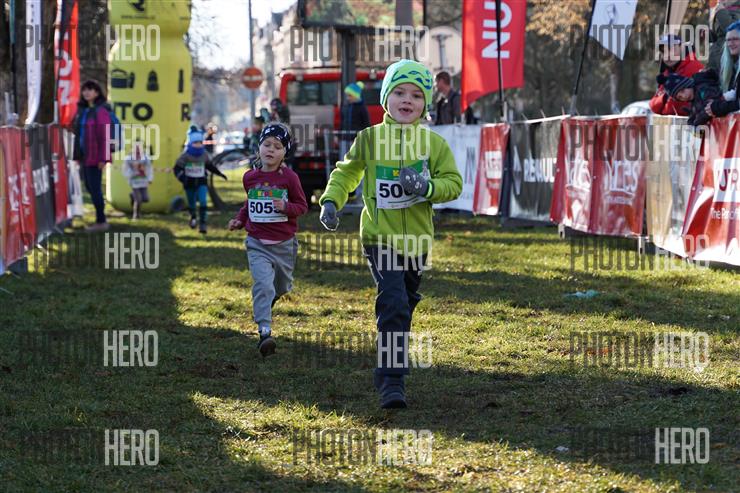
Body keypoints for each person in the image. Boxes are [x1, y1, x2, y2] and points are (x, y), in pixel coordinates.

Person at [318, 59, 463, 409]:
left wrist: (426, 187)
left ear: (425, 104)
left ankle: (391, 350)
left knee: (405, 302)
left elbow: (453, 183)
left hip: (417, 241)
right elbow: (346, 173)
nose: (407, 100)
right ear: (385, 98)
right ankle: (392, 381)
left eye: (416, 95)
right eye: (399, 92)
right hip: (378, 237)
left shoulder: (433, 144)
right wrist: (331, 201)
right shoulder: (369, 139)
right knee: (393, 301)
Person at [228, 123, 308, 357]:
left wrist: (286, 207)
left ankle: (269, 300)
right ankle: (265, 332)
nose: (271, 149)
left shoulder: (290, 178)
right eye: (267, 144)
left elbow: (302, 206)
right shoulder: (250, 177)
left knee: (281, 287)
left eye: (277, 146)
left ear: (284, 153)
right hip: (257, 243)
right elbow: (249, 204)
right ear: (259, 147)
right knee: (263, 285)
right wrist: (240, 220)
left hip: (284, 244)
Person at [72, 79, 114, 232]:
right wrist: (78, 156)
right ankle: (101, 218)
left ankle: (101, 221)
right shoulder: (84, 111)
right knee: (90, 187)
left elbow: (106, 135)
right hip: (85, 157)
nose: (86, 92)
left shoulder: (101, 111)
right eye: (84, 90)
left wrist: (104, 158)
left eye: (90, 89)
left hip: (96, 158)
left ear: (97, 92)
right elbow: (79, 135)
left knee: (95, 189)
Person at [173, 128, 227, 234]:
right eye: (195, 143)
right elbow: (177, 168)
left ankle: (203, 223)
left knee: (203, 201)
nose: (198, 145)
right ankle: (193, 217)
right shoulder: (185, 155)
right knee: (192, 203)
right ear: (191, 143)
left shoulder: (204, 154)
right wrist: (182, 178)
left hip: (202, 182)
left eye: (200, 143)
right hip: (189, 183)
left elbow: (209, 166)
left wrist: (220, 174)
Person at [649, 35, 704, 116]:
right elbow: (653, 106)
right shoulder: (667, 73)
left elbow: (675, 109)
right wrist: (665, 97)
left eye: (671, 49)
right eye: (663, 52)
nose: (668, 55)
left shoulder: (693, 67)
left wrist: (663, 107)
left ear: (682, 47)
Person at [707, 21, 740, 118]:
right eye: (728, 40)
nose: (730, 43)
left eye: (735, 39)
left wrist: (718, 107)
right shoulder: (731, 66)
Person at [122, 140, 153, 220]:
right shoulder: (129, 159)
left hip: (143, 181)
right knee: (138, 200)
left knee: (145, 199)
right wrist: (132, 172)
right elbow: (125, 170)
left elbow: (149, 168)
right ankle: (136, 215)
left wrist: (150, 178)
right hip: (134, 182)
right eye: (136, 149)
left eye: (139, 149)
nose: (138, 151)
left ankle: (132, 196)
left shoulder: (145, 158)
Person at [709, 1, 740, 72]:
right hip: (716, 59)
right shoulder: (726, 10)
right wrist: (709, 35)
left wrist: (721, 12)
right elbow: (720, 37)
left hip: (727, 62)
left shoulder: (737, 9)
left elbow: (732, 30)